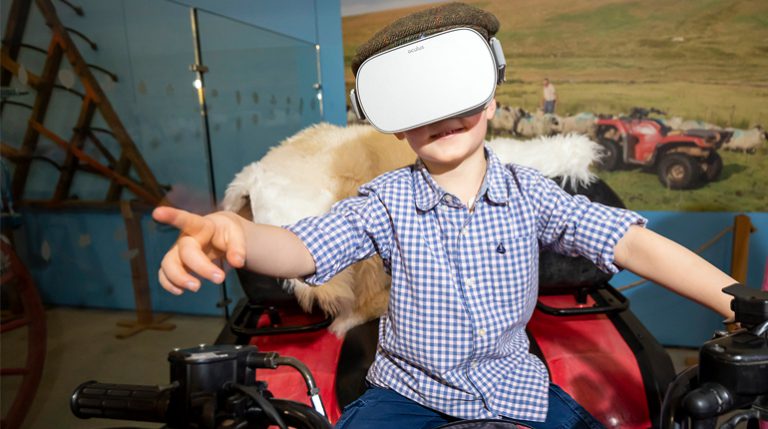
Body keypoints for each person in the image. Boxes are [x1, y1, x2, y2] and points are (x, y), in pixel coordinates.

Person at [152, 3, 736, 429]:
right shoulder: (384, 201)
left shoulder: (532, 194)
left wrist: (742, 304)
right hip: (405, 395)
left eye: (457, 88)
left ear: (491, 94)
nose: (442, 112)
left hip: (518, 388)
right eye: (416, 99)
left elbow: (629, 242)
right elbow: (302, 248)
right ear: (394, 122)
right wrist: (236, 232)